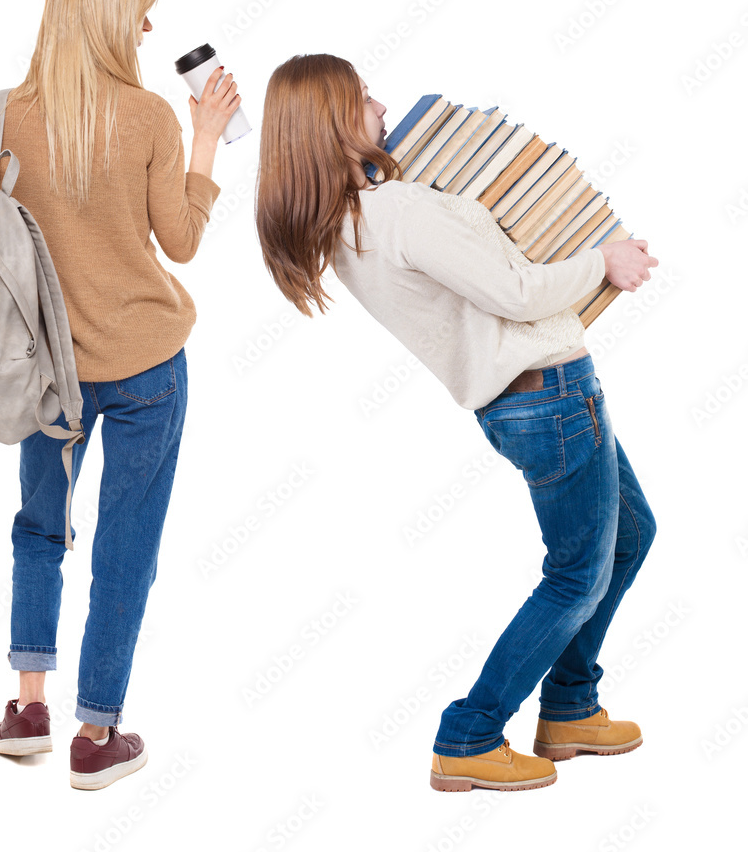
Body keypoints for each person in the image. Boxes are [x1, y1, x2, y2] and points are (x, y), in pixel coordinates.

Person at [254, 53, 657, 793]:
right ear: (336, 122)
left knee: (631, 536)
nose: (381, 106)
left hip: (523, 401)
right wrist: (604, 260)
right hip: (553, 396)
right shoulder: (398, 211)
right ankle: (469, 734)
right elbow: (514, 290)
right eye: (365, 97)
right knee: (575, 576)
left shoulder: (348, 226)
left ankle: (570, 705)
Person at [0, 0, 240, 790]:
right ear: (111, 15)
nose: (150, 24)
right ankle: (97, 734)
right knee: (126, 546)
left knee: (41, 529)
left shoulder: (0, 114)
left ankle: (28, 709)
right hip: (148, 363)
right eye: (141, 9)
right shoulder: (152, 116)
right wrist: (208, 140)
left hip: (44, 371)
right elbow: (182, 244)